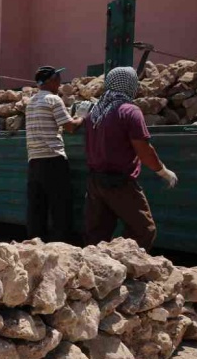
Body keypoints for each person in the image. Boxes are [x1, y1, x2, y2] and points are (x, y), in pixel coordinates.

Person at [83, 67, 178, 250]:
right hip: (119, 183)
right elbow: (143, 149)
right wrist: (163, 171)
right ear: (131, 85)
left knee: (97, 234)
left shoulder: (94, 112)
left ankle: (97, 270)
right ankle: (127, 267)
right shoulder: (129, 111)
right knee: (143, 230)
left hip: (95, 182)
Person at [25, 66, 83, 242]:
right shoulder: (53, 100)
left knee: (37, 209)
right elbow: (71, 127)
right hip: (53, 160)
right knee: (60, 209)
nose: (60, 83)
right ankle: (61, 247)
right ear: (50, 81)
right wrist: (82, 115)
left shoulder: (31, 102)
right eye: (58, 79)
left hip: (34, 162)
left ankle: (35, 247)